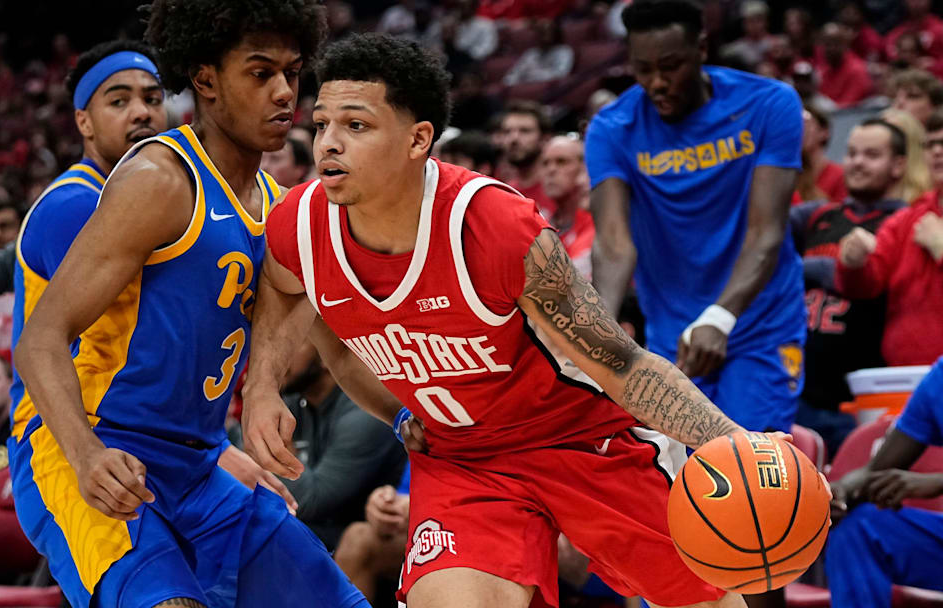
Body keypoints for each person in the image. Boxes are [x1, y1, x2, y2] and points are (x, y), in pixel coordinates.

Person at [243, 32, 769, 608]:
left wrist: (735, 445)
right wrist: (265, 386)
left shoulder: (494, 224)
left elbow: (620, 361)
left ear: (419, 139)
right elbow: (285, 294)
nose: (328, 144)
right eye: (321, 125)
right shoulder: (299, 225)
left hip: (581, 439)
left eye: (356, 126)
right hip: (464, 462)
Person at [11, 4, 367, 608]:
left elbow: (339, 348)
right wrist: (86, 454)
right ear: (205, 80)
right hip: (94, 443)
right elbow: (38, 340)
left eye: (292, 72)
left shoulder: (281, 209)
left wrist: (416, 424)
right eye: (260, 74)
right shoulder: (159, 181)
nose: (285, 93)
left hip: (198, 461)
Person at [588, 0, 805, 436]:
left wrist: (720, 317)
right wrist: (598, 337)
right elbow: (613, 244)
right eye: (642, 69)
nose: (657, 82)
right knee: (683, 481)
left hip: (760, 322)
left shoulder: (768, 104)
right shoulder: (612, 128)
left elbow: (766, 233)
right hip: (673, 336)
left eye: (671, 66)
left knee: (751, 467)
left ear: (702, 48)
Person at [791, 119, 909, 455]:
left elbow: (876, 281)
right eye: (852, 153)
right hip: (801, 389)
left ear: (898, 165)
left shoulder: (903, 223)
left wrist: (808, 270)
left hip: (863, 397)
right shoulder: (817, 216)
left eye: (872, 154)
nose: (857, 162)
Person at [826, 356, 943, 607]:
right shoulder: (939, 379)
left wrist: (937, 482)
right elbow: (874, 471)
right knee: (859, 527)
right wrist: (841, 490)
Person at [274, 340, 406, 550]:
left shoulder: (365, 413)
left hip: (359, 534)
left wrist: (272, 441)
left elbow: (310, 501)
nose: (276, 357)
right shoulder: (295, 402)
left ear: (326, 356)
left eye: (292, 342)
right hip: (316, 530)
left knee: (272, 532)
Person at [837, 159, 943, 367]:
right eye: (931, 144)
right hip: (900, 376)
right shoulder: (905, 220)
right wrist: (854, 263)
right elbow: (865, 286)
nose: (937, 150)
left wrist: (940, 247)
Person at [334, 465, 412, 604]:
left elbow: (317, 497)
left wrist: (422, 506)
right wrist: (383, 506)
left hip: (454, 531)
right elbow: (405, 492)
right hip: (413, 531)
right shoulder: (422, 447)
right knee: (357, 537)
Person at [538, 134, 594, 278]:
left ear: (583, 169)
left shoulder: (597, 224)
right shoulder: (540, 223)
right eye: (545, 163)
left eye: (561, 162)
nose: (551, 170)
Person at [497, 100, 555, 215]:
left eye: (525, 131)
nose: (513, 138)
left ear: (545, 139)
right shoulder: (504, 193)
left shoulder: (560, 190)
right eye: (507, 131)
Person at [795, 104, 846, 204]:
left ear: (824, 132)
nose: (800, 130)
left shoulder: (841, 176)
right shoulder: (789, 174)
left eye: (806, 124)